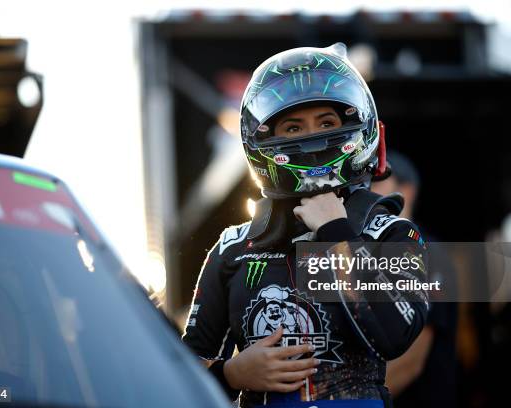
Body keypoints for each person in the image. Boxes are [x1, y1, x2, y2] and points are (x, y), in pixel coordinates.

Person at [182, 43, 429, 408]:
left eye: (326, 123)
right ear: (264, 139)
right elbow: (180, 375)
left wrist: (335, 235)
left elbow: (395, 335)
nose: (311, 139)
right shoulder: (233, 248)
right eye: (293, 127)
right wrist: (232, 374)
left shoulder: (392, 233)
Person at [372, 151, 458, 408]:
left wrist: (359, 400)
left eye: (376, 180)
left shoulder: (428, 253)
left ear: (406, 191)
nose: (365, 188)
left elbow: (412, 360)